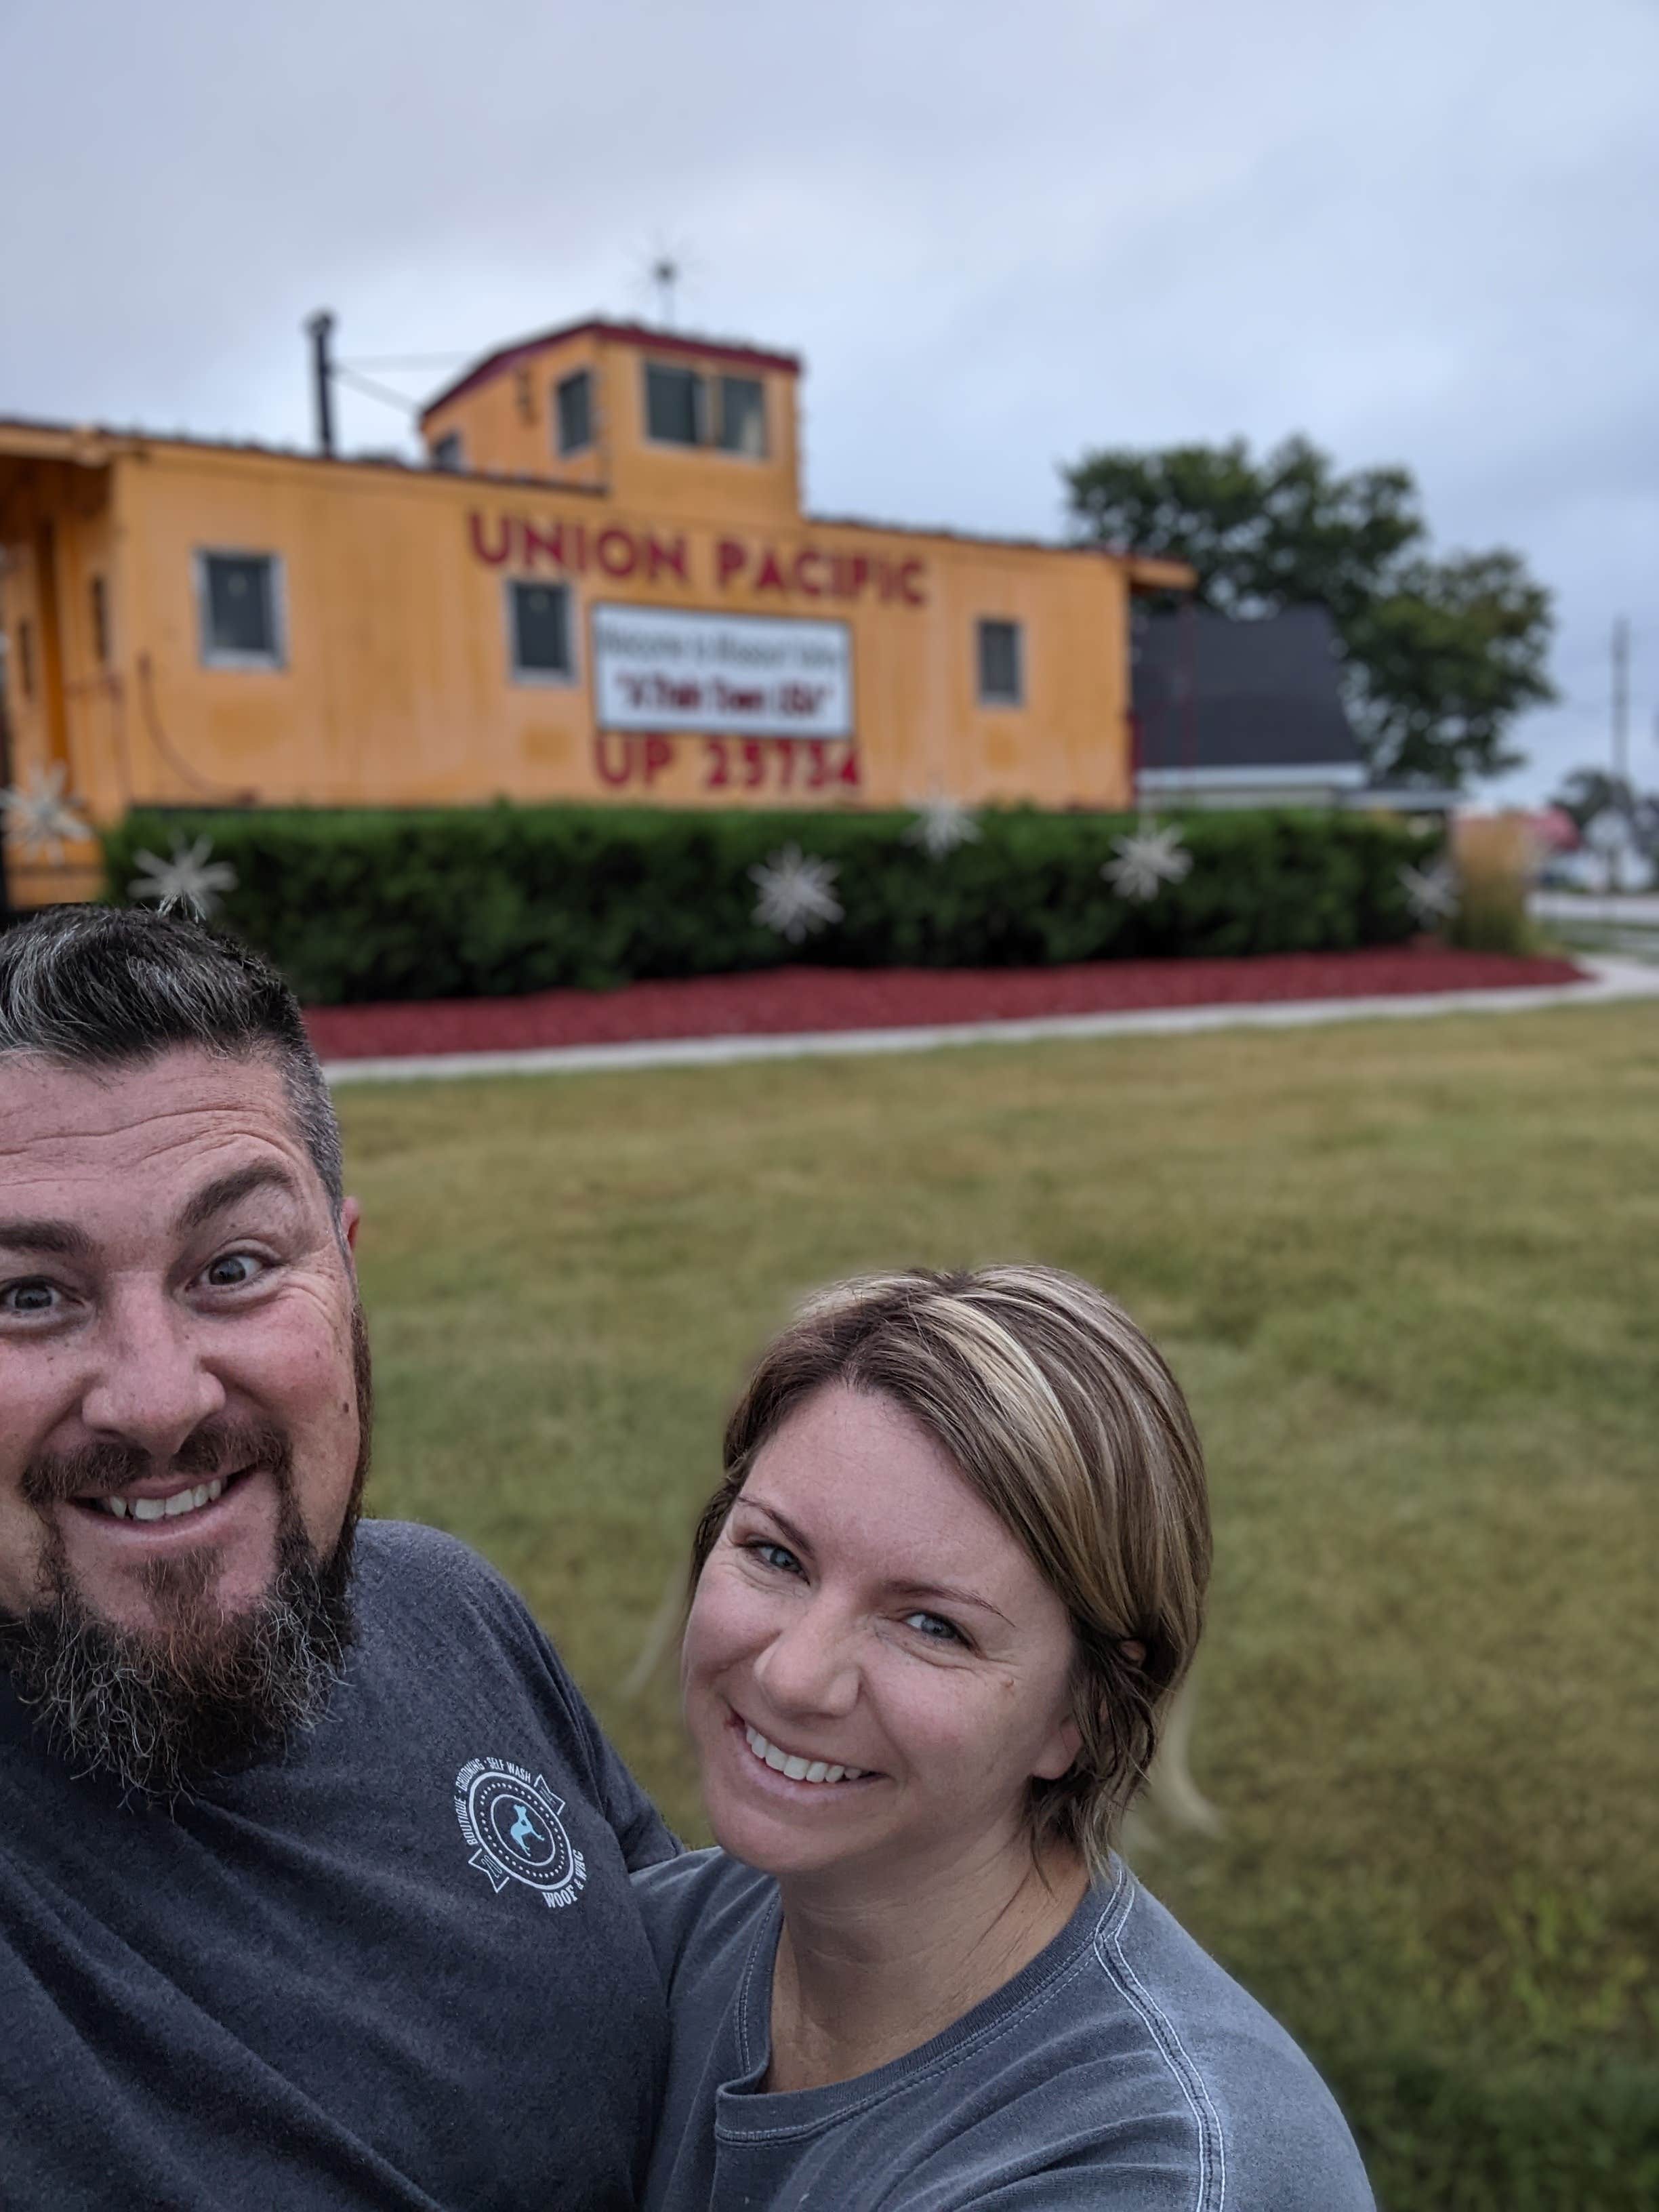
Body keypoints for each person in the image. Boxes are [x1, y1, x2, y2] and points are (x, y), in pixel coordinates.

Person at [0, 904, 676, 2210]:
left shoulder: (449, 1608)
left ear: (347, 1278)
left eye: (235, 1266)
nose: (157, 1398)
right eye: (29, 1294)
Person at [635, 1266, 1376, 2210]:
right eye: (776, 1555)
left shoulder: (1151, 2171)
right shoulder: (669, 1936)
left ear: (1088, 1712)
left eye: (932, 1626)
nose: (791, 1676)